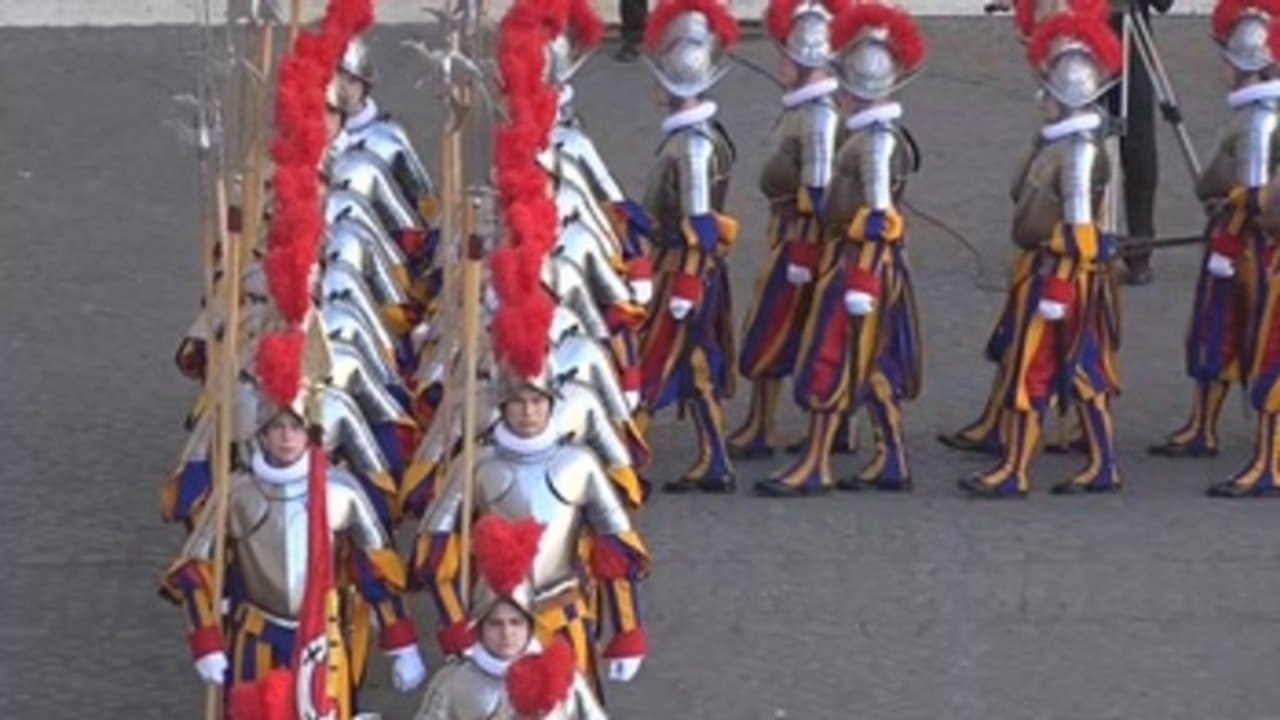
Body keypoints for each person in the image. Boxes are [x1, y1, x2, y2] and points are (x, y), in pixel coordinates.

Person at [756, 1, 926, 497]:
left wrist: (860, 282)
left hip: (861, 264)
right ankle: (891, 456)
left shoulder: (873, 141)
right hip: (859, 259)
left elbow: (876, 218)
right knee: (873, 364)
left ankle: (817, 463)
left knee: (833, 356)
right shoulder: (870, 132)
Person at [160, 390, 426, 706]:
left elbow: (376, 569)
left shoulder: (341, 490)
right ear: (262, 433)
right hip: (256, 633)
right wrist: (206, 642)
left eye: (296, 427)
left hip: (322, 634)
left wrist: (400, 640)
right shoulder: (235, 493)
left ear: (310, 433)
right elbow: (194, 571)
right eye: (277, 427)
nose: (287, 436)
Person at [957, 6, 1124, 497]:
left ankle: (1018, 468)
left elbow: (1075, 232)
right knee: (1067, 368)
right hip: (1049, 269)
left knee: (1040, 370)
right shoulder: (1058, 143)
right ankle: (1101, 463)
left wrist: (1053, 289)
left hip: (1061, 278)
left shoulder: (1075, 154)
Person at [411, 366, 650, 689]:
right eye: (517, 402)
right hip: (495, 622)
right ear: (502, 406)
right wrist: (456, 625)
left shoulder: (580, 463)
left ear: (551, 403)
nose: (528, 411)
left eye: (537, 401)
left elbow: (616, 549)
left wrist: (627, 631)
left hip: (563, 615)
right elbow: (436, 548)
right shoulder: (474, 464)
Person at [636, 0, 741, 493]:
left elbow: (698, 223)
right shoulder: (692, 137)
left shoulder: (694, 146)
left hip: (683, 264)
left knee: (667, 357)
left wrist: (683, 283)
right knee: (692, 360)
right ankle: (713, 456)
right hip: (679, 260)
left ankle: (704, 458)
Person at [732, 0, 844, 461]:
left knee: (771, 327)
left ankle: (764, 426)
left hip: (802, 242)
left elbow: (817, 194)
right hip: (790, 234)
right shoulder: (806, 109)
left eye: (787, 57)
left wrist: (800, 253)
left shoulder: (817, 116)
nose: (780, 64)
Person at [1179, 0, 1280, 497]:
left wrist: (1232, 216)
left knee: (1269, 352)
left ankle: (1271, 462)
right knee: (1216, 331)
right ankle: (1204, 424)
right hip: (1237, 241)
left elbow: (1258, 199)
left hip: (1257, 248)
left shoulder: (1260, 118)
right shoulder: (1250, 113)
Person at [414, 514, 607, 719]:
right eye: (496, 623)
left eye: (516, 623)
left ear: (530, 626)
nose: (507, 633)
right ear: (479, 627)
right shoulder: (451, 682)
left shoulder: (565, 679)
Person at [1108, 0, 1174, 286]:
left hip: (1131, 36)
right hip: (1081, 35)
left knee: (1137, 145)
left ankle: (1140, 249)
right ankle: (1081, 236)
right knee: (1079, 143)